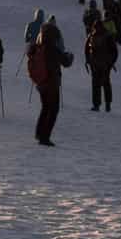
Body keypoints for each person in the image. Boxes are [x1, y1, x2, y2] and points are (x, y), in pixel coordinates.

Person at [31, 15, 73, 146]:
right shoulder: (53, 49)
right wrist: (70, 56)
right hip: (52, 83)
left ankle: (39, 133)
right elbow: (66, 62)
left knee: (45, 107)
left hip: (40, 82)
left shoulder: (38, 47)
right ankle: (44, 137)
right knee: (53, 109)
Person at [85, 14, 119, 112]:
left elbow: (86, 49)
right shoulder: (97, 35)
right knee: (103, 83)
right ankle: (104, 105)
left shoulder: (94, 35)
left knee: (99, 83)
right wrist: (111, 62)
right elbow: (115, 51)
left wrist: (88, 60)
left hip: (100, 64)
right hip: (100, 64)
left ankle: (100, 105)